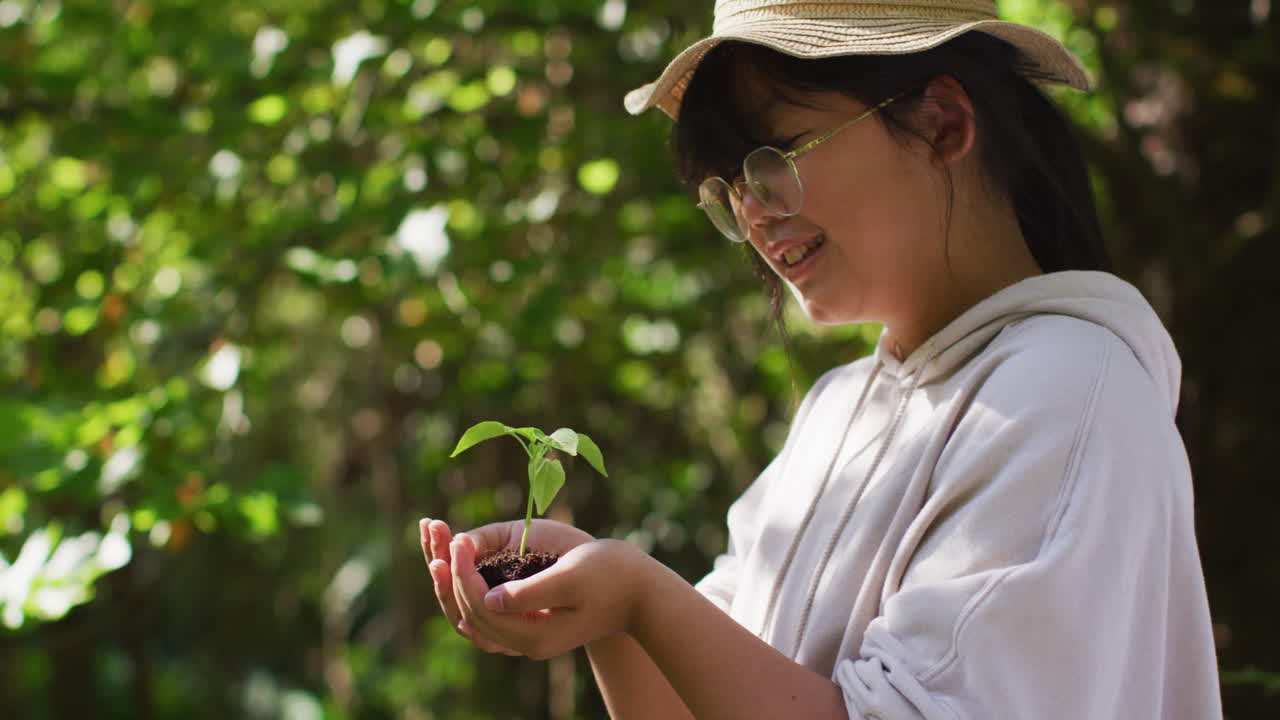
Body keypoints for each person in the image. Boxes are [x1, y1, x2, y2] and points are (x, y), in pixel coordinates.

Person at [419, 1, 1224, 717]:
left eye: (777, 157)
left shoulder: (1066, 392)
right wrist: (608, 614)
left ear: (943, 122)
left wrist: (636, 592)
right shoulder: (840, 408)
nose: (755, 213)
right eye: (730, 186)